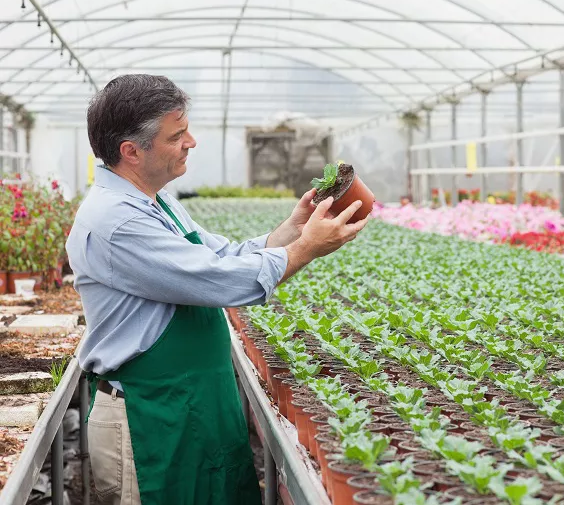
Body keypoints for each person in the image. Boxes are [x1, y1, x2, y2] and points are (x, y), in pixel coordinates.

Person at [65, 74, 368, 505]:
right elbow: (221, 279)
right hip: (152, 419)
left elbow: (224, 256)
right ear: (131, 151)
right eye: (177, 134)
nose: (192, 140)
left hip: (191, 409)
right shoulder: (118, 221)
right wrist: (306, 249)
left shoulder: (156, 201)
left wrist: (293, 228)